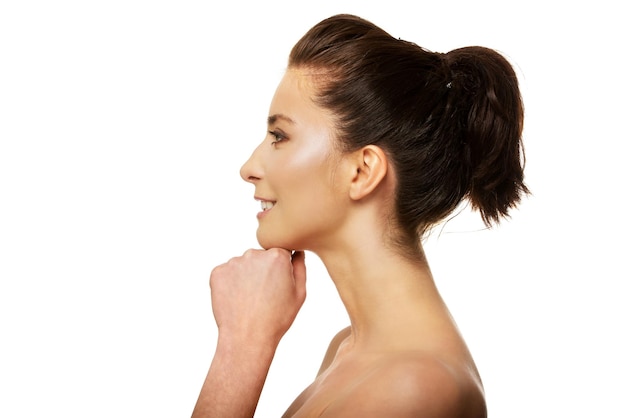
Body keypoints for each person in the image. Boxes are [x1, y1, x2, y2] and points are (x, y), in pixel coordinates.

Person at [191, 13, 528, 418]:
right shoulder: (348, 350)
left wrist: (242, 345)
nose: (249, 167)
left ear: (363, 171)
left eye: (279, 136)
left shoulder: (412, 389)